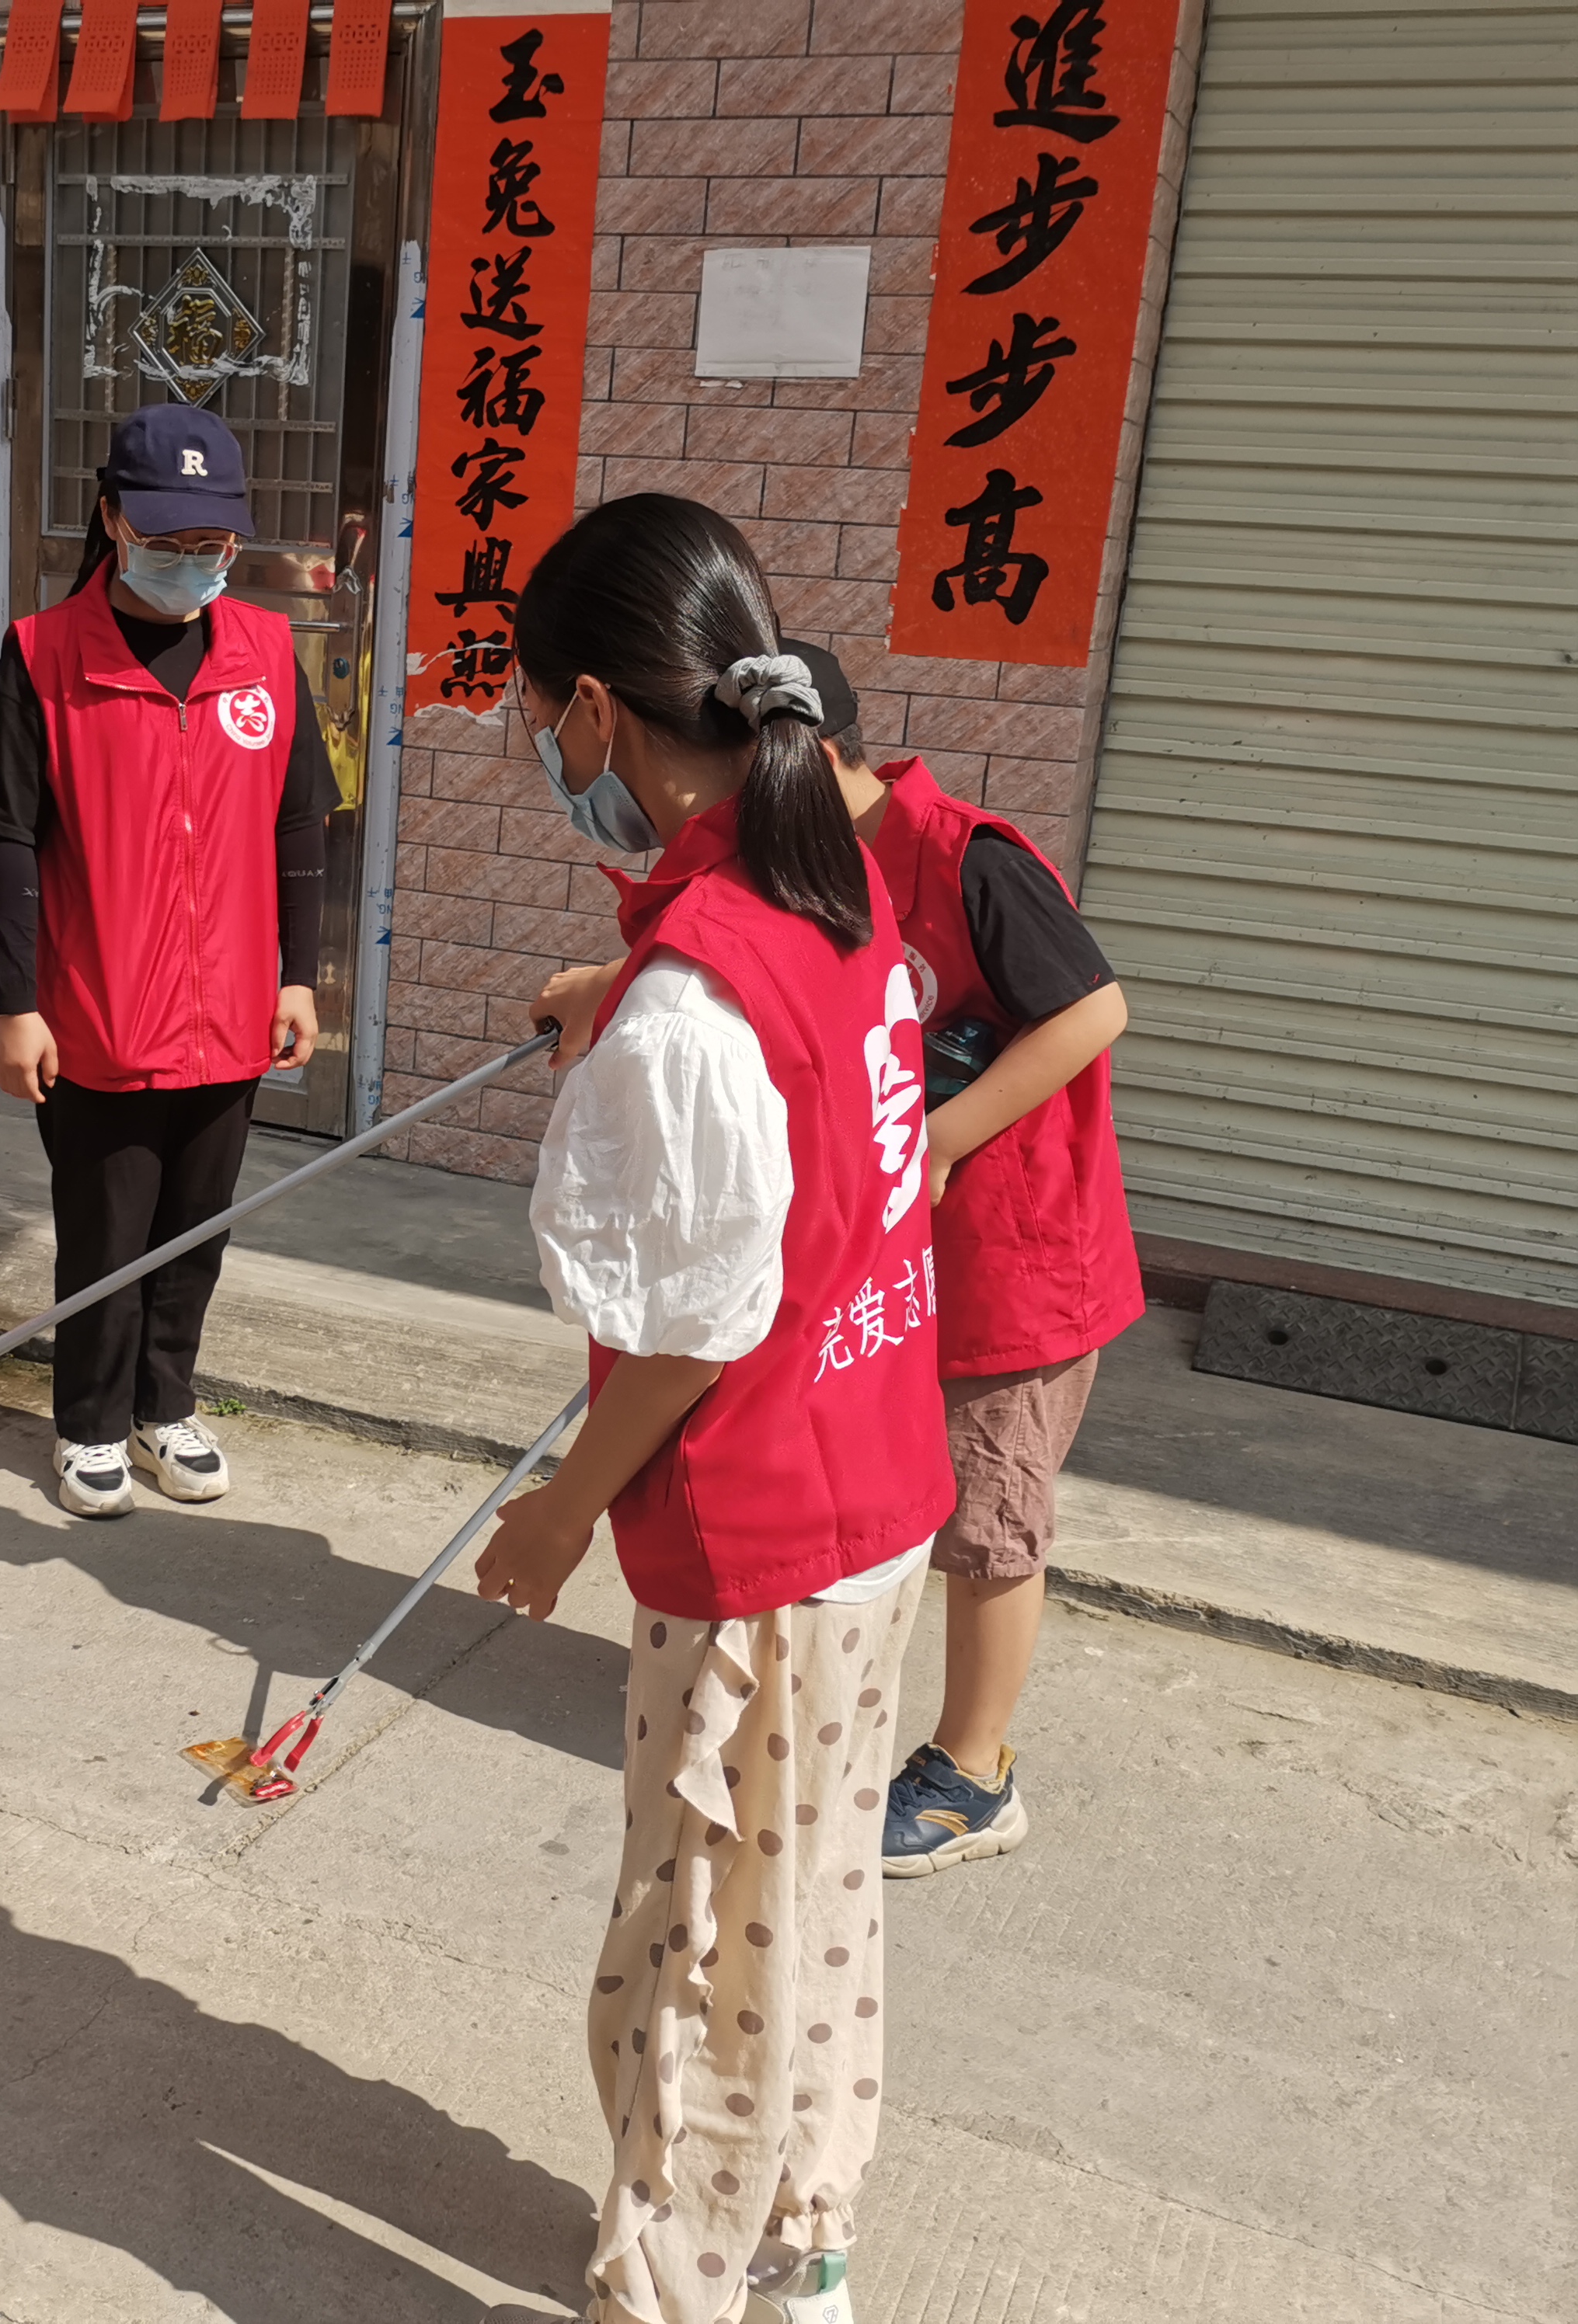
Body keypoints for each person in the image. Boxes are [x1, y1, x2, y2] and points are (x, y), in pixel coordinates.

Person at [473, 496, 954, 2324]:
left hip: (755, 1543)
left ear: (595, 711)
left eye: (538, 713)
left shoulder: (693, 995)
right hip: (870, 1495)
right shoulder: (827, 894)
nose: (543, 746)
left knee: (694, 1950)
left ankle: (671, 2287)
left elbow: (690, 1326)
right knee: (806, 1897)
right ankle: (800, 2241)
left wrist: (555, 1509)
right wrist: (621, 984)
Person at [780, 649, 1140, 1878]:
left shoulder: (969, 856)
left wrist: (941, 1138)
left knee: (991, 1517)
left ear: (814, 754)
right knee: (884, 1491)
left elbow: (1093, 1011)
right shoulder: (818, 865)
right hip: (895, 1250)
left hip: (1015, 1259)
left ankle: (973, 1778)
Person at [0, 405, 334, 1519]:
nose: (192, 562)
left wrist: (298, 975)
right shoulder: (41, 656)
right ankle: (90, 1422)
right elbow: (9, 841)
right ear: (112, 519)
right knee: (107, 1236)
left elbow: (298, 822)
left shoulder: (265, 653)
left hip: (233, 1010)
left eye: (213, 544)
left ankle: (168, 1407)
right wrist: (15, 1005)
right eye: (167, 540)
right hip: (98, 1012)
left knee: (196, 1231)